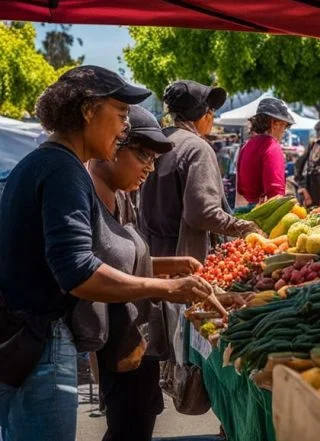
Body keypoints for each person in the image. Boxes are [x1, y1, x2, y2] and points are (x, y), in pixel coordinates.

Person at [0, 67, 213, 441]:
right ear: (88, 111)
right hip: (40, 349)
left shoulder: (43, 163)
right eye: (120, 116)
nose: (124, 129)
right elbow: (78, 271)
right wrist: (165, 288)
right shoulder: (63, 170)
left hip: (25, 344)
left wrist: (165, 269)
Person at [84, 105, 205, 441]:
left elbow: (126, 262)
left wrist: (174, 264)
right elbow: (96, 274)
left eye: (154, 159)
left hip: (139, 339)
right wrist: (166, 287)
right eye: (143, 156)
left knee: (139, 421)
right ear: (111, 148)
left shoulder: (122, 198)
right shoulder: (86, 200)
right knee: (127, 428)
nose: (149, 168)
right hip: (114, 345)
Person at [138, 81, 259, 261]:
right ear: (203, 115)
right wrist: (244, 227)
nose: (213, 116)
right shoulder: (197, 148)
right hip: (184, 259)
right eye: (210, 111)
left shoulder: (158, 140)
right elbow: (203, 213)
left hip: (152, 254)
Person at [236, 97, 293, 205]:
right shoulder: (272, 147)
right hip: (262, 212)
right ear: (274, 123)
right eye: (284, 125)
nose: (284, 130)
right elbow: (276, 193)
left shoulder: (247, 145)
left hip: (245, 209)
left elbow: (240, 187)